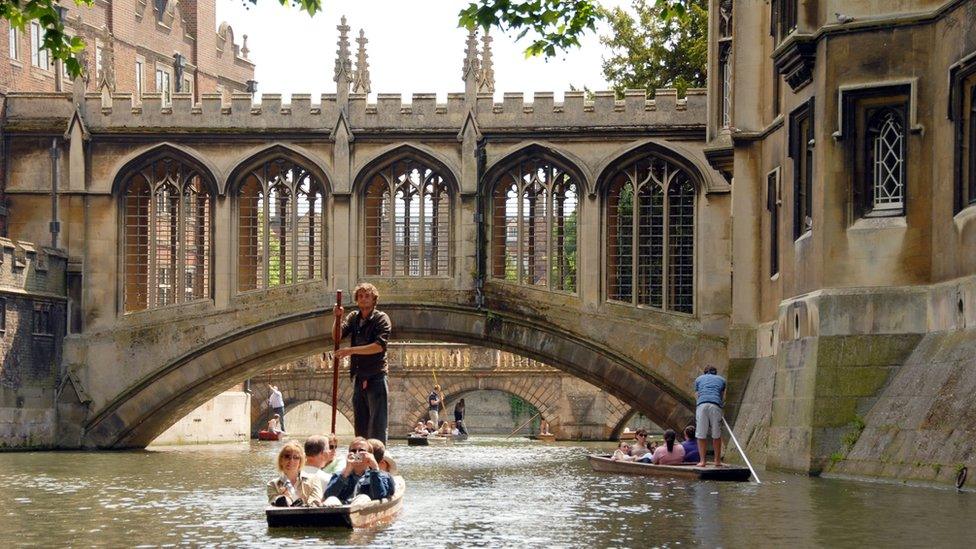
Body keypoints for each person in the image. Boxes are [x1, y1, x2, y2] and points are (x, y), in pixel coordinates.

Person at [333, 283, 393, 444]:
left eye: (367, 295)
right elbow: (337, 337)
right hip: (359, 378)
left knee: (377, 425)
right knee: (360, 426)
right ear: (357, 300)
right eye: (360, 296)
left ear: (374, 299)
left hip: (377, 377)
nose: (363, 298)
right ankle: (360, 457)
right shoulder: (353, 317)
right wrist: (337, 318)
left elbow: (379, 346)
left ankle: (377, 459)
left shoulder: (381, 318)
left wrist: (351, 351)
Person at [323, 437, 395, 505]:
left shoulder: (381, 475)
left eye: (361, 451)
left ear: (370, 455)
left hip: (364, 511)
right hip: (341, 511)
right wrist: (345, 473)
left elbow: (379, 496)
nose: (357, 453)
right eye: (353, 451)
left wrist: (375, 468)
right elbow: (328, 495)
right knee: (331, 499)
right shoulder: (339, 475)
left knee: (363, 497)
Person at [267, 441, 322, 507]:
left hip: (309, 515)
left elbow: (315, 501)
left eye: (296, 457)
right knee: (282, 500)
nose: (291, 460)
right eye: (287, 456)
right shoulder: (272, 484)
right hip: (284, 516)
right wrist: (284, 499)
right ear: (281, 460)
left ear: (300, 461)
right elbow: (274, 504)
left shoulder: (313, 480)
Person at [694, 366, 727, 467]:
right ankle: (717, 461)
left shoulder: (698, 379)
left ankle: (702, 461)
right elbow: (721, 397)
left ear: (705, 372)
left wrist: (699, 405)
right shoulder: (722, 380)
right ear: (715, 372)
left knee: (701, 435)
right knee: (716, 435)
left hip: (702, 405)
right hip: (715, 405)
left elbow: (697, 395)